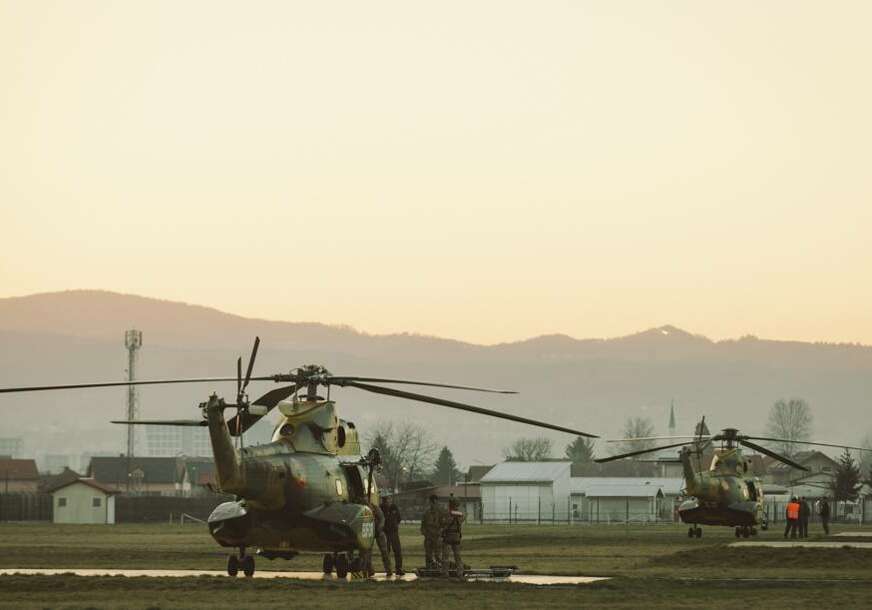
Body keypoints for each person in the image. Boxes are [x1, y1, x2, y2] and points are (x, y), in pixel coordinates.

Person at [365, 499, 392, 577]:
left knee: (384, 552)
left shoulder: (376, 508)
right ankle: (369, 570)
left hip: (378, 532)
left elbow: (382, 518)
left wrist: (380, 527)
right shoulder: (363, 509)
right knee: (367, 553)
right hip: (369, 533)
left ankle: (389, 569)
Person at [441, 497, 465, 580]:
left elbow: (444, 523)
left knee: (445, 556)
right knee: (458, 556)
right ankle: (460, 573)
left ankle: (445, 573)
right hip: (457, 536)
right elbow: (462, 520)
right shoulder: (460, 514)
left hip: (448, 536)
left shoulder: (447, 513)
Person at [380, 494, 404, 575]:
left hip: (394, 532)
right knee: (386, 552)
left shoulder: (394, 507)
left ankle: (399, 568)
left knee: (397, 551)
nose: (386, 501)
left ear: (390, 499)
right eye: (384, 500)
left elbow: (399, 518)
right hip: (385, 533)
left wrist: (394, 525)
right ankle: (388, 569)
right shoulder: (381, 508)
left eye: (387, 499)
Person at [421, 494, 444, 568]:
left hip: (437, 537)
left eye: (435, 502)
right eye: (432, 502)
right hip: (428, 538)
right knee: (428, 556)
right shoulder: (426, 513)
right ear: (430, 502)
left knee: (438, 556)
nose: (434, 504)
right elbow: (423, 526)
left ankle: (440, 569)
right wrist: (425, 534)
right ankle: (429, 570)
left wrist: (440, 534)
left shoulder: (440, 512)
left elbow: (444, 525)